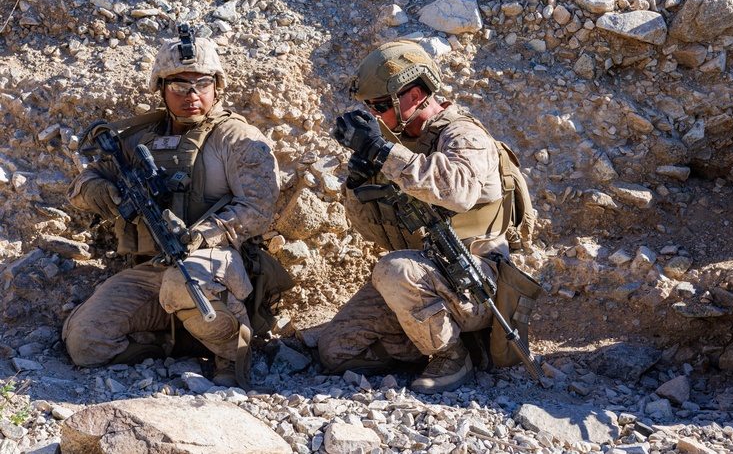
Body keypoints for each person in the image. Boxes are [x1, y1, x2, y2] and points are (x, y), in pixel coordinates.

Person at [62, 28, 281, 389]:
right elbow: (82, 186)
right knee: (85, 342)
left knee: (184, 282)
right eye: (179, 87)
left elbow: (258, 209)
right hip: (155, 266)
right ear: (161, 89)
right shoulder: (140, 138)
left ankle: (231, 353)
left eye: (202, 85)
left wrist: (201, 235)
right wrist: (103, 192)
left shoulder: (238, 139)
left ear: (217, 86)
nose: (191, 96)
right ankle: (176, 342)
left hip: (217, 261)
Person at [318, 40, 525, 394]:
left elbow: (458, 191)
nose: (377, 116)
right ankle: (432, 336)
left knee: (393, 269)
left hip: (477, 282)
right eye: (370, 108)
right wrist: (358, 184)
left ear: (414, 95)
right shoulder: (403, 143)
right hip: (424, 281)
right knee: (337, 350)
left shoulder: (465, 136)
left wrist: (384, 152)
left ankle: (453, 354)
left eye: (381, 105)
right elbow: (374, 232)